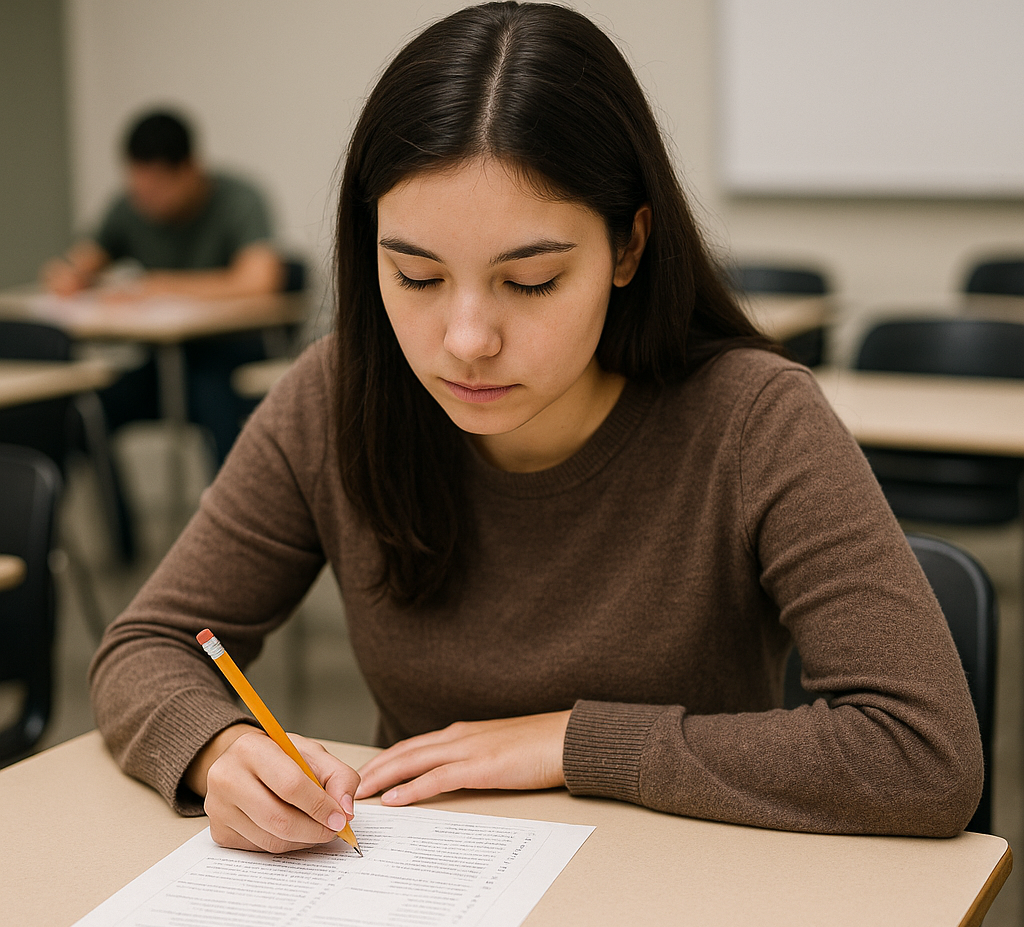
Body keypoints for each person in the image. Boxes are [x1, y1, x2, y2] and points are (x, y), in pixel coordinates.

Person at [90, 2, 983, 854]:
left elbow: (923, 752)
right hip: (416, 901)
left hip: (694, 901)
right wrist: (218, 749)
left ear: (628, 248)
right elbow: (150, 644)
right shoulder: (335, 398)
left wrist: (571, 745)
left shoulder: (753, 420)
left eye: (530, 283)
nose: (468, 340)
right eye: (416, 277)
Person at [42, 110, 285, 466]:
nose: (145, 201)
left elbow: (260, 281)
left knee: (212, 396)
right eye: (138, 190)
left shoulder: (239, 199)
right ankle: (119, 523)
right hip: (165, 360)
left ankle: (228, 514)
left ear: (189, 170)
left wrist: (161, 286)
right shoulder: (130, 208)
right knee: (86, 412)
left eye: (156, 190)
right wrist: (72, 274)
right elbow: (85, 259)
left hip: (230, 353)